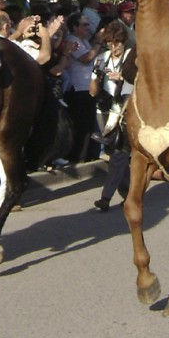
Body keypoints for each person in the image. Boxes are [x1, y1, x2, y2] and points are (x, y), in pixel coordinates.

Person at [89, 21, 134, 211]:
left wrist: (122, 77)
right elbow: (92, 92)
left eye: (117, 43)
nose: (113, 48)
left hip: (125, 109)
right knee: (114, 153)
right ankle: (130, 193)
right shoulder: (102, 58)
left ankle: (105, 197)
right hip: (105, 110)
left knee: (119, 152)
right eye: (110, 44)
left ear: (124, 41)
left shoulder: (132, 57)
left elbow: (142, 80)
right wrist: (97, 77)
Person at [63, 12, 104, 163]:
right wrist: (99, 42)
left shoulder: (84, 41)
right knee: (81, 124)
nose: (88, 28)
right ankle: (77, 156)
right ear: (75, 27)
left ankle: (88, 154)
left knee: (89, 123)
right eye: (84, 25)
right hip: (77, 88)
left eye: (88, 24)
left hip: (87, 88)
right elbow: (86, 58)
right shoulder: (72, 40)